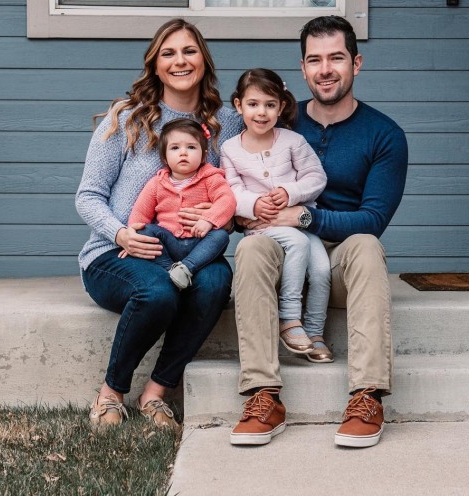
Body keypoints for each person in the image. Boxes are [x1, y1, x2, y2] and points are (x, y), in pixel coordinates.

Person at [229, 16, 408, 448]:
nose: (325, 69)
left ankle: (367, 395)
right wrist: (250, 214)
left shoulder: (385, 135)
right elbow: (234, 193)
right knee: (251, 252)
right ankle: (262, 394)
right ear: (303, 69)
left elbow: (373, 219)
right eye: (315, 60)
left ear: (356, 63)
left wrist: (304, 217)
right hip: (280, 252)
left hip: (341, 260)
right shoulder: (271, 121)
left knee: (366, 245)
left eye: (336, 58)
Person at [75, 18, 243, 430]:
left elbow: (240, 195)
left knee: (217, 281)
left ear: (204, 59)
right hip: (116, 253)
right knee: (159, 291)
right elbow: (88, 196)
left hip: (189, 252)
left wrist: (216, 217)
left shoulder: (230, 123)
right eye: (168, 53)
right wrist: (122, 234)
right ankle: (111, 393)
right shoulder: (126, 119)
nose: (180, 61)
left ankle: (156, 393)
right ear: (154, 63)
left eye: (189, 51)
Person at [221, 68, 330, 360]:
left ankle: (314, 332)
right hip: (262, 225)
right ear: (238, 105)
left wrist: (290, 192)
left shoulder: (292, 141)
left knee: (321, 270)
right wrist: (254, 204)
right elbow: (230, 190)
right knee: (297, 244)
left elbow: (315, 177)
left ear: (280, 107)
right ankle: (289, 318)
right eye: (253, 104)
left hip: (301, 224)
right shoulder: (230, 149)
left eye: (270, 105)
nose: (261, 112)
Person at [124, 118, 237, 290]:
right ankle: (170, 269)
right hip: (168, 243)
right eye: (175, 148)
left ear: (204, 155)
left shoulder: (211, 178)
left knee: (220, 235)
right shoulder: (157, 183)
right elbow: (140, 214)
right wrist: (133, 239)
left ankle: (187, 268)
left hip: (199, 241)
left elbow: (227, 200)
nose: (183, 153)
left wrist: (208, 220)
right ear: (165, 157)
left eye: (191, 147)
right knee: (145, 230)